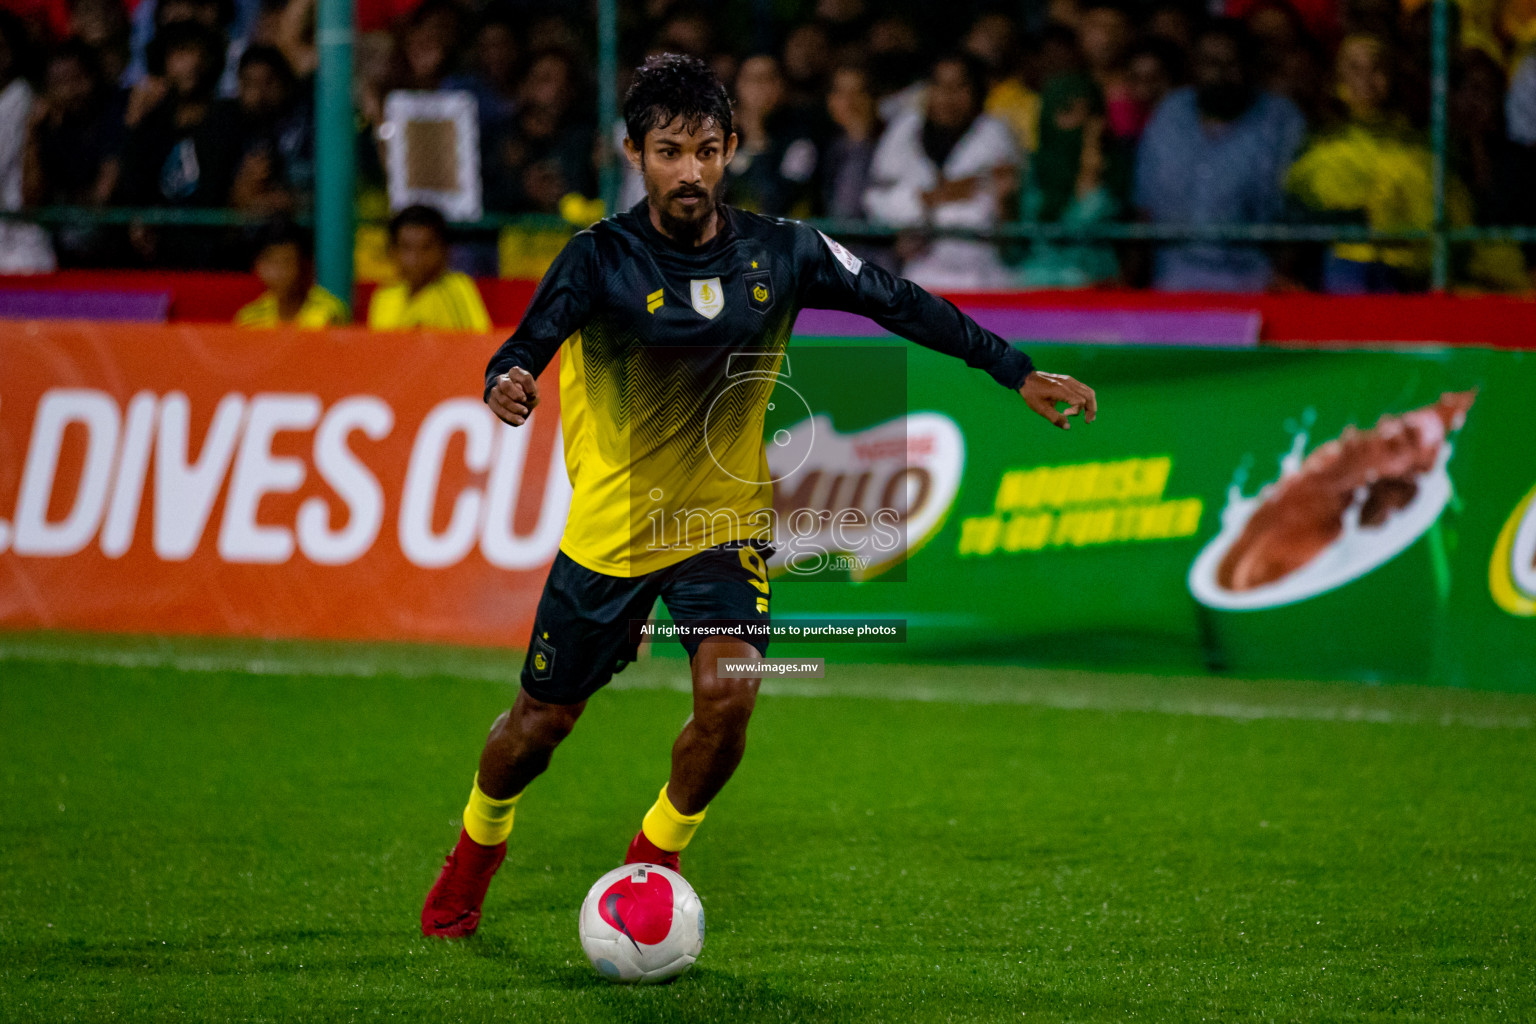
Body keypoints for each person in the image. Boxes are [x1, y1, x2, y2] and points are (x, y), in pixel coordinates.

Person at [419, 52, 1098, 940]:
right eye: (669, 151)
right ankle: (478, 846)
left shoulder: (784, 249)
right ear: (636, 154)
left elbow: (898, 301)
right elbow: (524, 348)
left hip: (723, 526)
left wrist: (1014, 370)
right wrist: (507, 382)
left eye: (706, 149)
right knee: (537, 729)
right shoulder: (597, 258)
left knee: (730, 700)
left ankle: (650, 866)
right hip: (613, 535)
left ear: (731, 148)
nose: (689, 169)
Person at [1133, 19, 1306, 292]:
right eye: (1210, 63)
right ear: (1194, 66)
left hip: (1252, 284)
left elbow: (1296, 215)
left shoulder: (1281, 120)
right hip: (1172, 281)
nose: (1221, 74)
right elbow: (1145, 209)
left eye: (1232, 64)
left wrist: (1282, 282)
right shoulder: (1170, 114)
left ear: (1250, 66)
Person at [863, 51, 1021, 290]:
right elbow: (877, 201)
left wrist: (926, 202)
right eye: (940, 86)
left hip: (983, 278)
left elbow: (997, 212)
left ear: (977, 91)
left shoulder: (996, 135)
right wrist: (930, 199)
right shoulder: (905, 131)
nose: (948, 97)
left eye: (959, 87)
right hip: (919, 275)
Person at [367, 204, 492, 331]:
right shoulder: (384, 296)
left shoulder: (456, 289)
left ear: (444, 250)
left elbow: (477, 345)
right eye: (406, 248)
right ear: (393, 251)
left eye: (426, 248)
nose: (415, 258)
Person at [234, 220, 348, 327]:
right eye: (271, 262)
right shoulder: (249, 319)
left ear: (304, 265)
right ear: (258, 266)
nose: (279, 272)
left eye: (287, 261)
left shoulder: (329, 312)